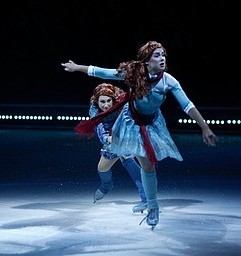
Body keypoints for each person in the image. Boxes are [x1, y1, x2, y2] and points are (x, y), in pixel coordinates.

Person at [61, 40, 217, 229]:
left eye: (163, 55)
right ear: (147, 59)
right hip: (130, 122)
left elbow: (187, 105)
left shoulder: (169, 80)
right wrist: (78, 67)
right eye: (157, 55)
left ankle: (152, 206)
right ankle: (125, 190)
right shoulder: (135, 72)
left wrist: (204, 127)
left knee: (148, 166)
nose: (162, 58)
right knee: (121, 163)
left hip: (150, 124)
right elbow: (104, 72)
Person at [89, 83, 147, 213]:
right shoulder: (94, 110)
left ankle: (146, 199)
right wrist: (106, 138)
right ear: (96, 101)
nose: (106, 105)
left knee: (127, 158)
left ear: (113, 99)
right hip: (109, 136)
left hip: (125, 132)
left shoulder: (121, 103)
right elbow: (98, 127)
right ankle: (106, 185)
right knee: (102, 168)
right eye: (102, 102)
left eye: (108, 101)